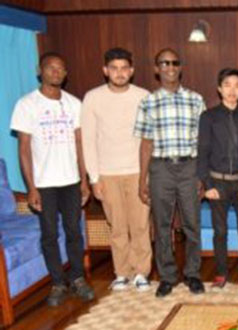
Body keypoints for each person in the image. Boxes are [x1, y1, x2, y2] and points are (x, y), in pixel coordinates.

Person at [10, 52, 95, 306]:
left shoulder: (74, 104)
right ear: (40, 71)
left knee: (74, 233)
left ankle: (78, 278)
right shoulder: (27, 104)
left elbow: (81, 144)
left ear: (65, 74)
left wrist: (84, 181)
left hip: (71, 181)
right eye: (51, 68)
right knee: (48, 235)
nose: (56, 72)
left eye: (60, 69)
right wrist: (31, 188)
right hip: (44, 185)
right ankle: (58, 283)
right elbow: (23, 149)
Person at [134, 48, 205, 297]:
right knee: (161, 225)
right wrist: (142, 179)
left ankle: (193, 274)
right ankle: (167, 277)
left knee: (192, 224)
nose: (170, 67)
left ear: (180, 67)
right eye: (164, 63)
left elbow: (203, 141)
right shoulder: (148, 102)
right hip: (161, 168)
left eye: (174, 62)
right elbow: (145, 144)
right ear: (156, 69)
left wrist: (201, 176)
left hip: (189, 167)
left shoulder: (196, 100)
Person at [81, 48, 152, 292]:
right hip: (107, 174)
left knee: (140, 225)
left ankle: (142, 272)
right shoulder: (92, 97)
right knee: (117, 227)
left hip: (137, 172)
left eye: (124, 68)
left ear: (131, 71)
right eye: (114, 68)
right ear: (105, 71)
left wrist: (147, 175)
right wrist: (94, 178)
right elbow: (88, 139)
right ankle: (122, 272)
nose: (119, 73)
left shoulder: (144, 96)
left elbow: (149, 138)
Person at [197, 68, 238, 288]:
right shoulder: (208, 117)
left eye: (237, 86)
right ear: (219, 89)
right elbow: (202, 152)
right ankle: (221, 272)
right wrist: (207, 185)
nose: (232, 90)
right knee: (220, 231)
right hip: (218, 183)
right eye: (227, 85)